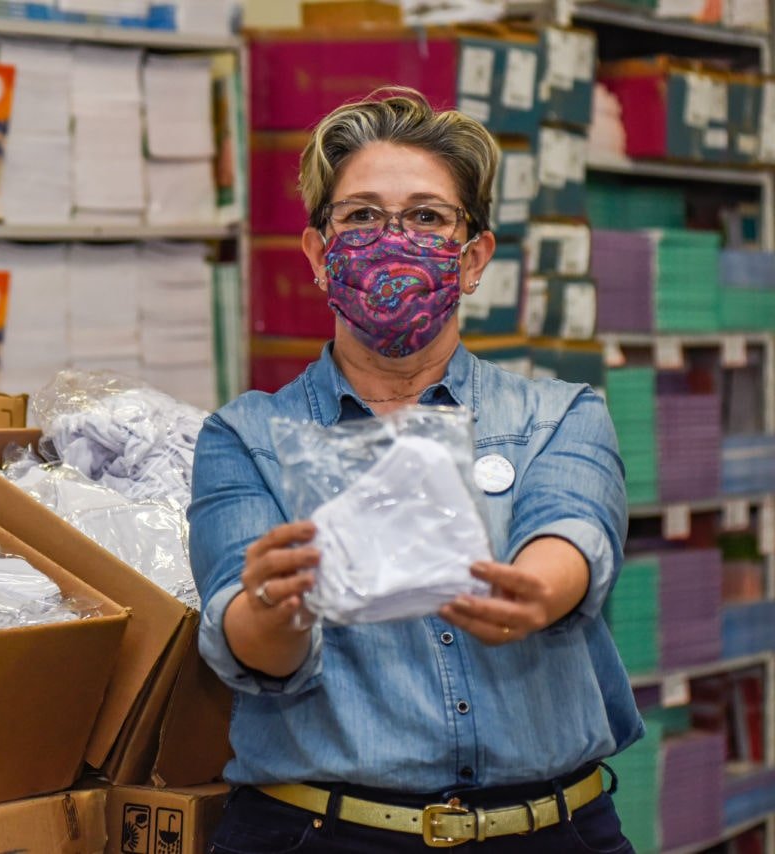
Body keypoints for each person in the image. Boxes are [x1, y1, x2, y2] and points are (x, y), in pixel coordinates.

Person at [189, 88, 641, 852]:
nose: (393, 239)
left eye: (428, 217)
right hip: (320, 836)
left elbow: (574, 530)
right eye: (362, 216)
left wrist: (536, 591)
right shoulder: (248, 436)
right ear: (319, 255)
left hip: (553, 831)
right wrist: (275, 608)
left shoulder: (558, 415)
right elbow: (249, 639)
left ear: (473, 258)